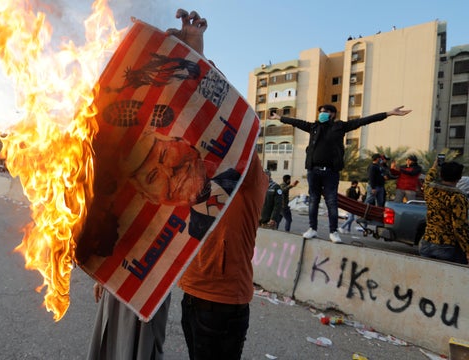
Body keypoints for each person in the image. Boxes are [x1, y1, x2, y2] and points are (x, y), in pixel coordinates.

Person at [170, 9, 269, 360]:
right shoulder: (201, 172)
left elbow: (225, 113)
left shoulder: (249, 176)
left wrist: (199, 55)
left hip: (224, 303)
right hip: (192, 293)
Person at [269, 104, 411, 243]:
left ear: (332, 114)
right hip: (314, 171)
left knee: (331, 202)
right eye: (320, 111)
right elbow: (296, 122)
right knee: (313, 201)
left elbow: (364, 120)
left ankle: (333, 232)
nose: (321, 114)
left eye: (325, 111)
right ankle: (312, 229)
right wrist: (280, 117)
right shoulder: (314, 127)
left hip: (331, 172)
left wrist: (389, 113)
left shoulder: (340, 127)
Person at [87, 283, 170, 360]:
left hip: (151, 285)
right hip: (117, 280)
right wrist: (101, 276)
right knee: (113, 339)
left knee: (142, 343)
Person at [420, 159, 469, 264]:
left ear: (441, 175)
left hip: (426, 243)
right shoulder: (457, 197)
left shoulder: (430, 190)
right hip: (445, 246)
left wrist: (434, 167)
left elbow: (427, 180)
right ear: (459, 178)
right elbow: (459, 227)